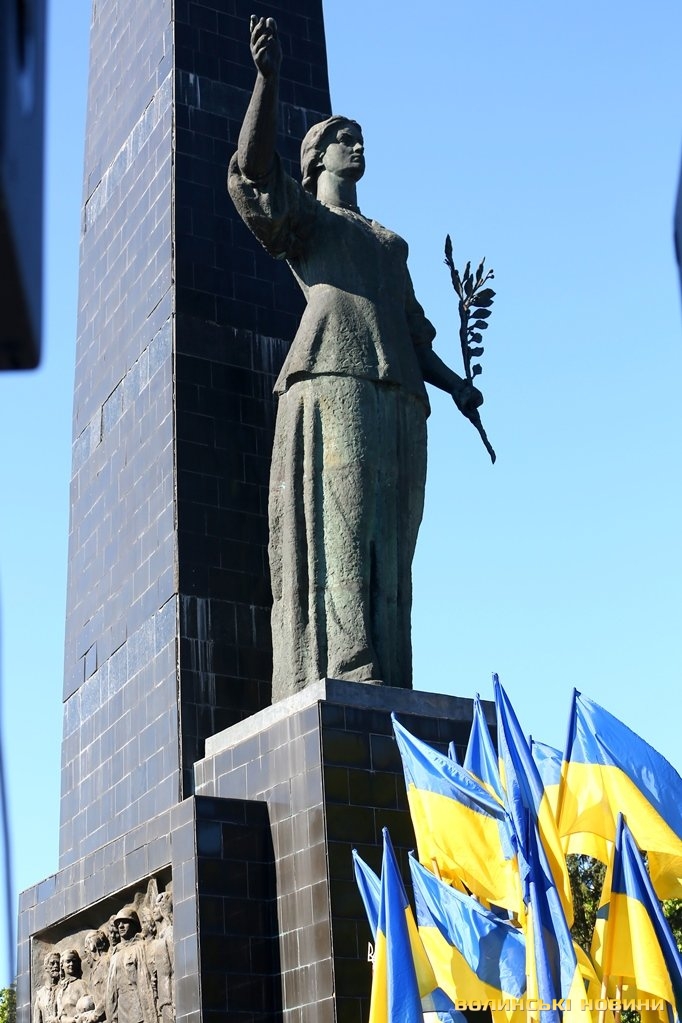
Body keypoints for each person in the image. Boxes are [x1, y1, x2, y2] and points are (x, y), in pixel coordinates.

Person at [228, 17, 483, 698]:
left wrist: (456, 387)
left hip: (401, 392)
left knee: (393, 540)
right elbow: (254, 172)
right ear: (316, 159)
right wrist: (267, 80)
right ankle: (347, 658)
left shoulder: (389, 244)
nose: (357, 144)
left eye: (359, 137)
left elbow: (415, 333)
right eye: (344, 138)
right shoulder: (309, 221)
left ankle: (389, 664)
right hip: (332, 373)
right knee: (345, 517)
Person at [105, 908, 157, 1023]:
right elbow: (111, 991)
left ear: (134, 925)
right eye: (118, 924)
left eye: (125, 922)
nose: (121, 926)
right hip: (122, 1011)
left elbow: (145, 981)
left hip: (139, 1009)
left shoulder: (141, 947)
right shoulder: (115, 955)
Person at [33, 951, 61, 1023]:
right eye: (52, 963)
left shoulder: (63, 989)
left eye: (58, 963)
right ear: (46, 967)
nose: (56, 966)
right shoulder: (40, 995)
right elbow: (37, 1020)